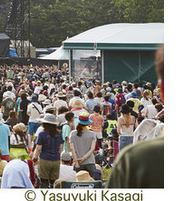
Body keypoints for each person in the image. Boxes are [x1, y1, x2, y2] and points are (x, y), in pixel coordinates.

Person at [106, 46, 164, 188]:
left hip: (125, 138)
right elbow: (137, 123)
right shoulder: (133, 116)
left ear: (161, 90)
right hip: (132, 134)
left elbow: (120, 130)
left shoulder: (136, 160)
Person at [31, 113, 63, 188]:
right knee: (54, 182)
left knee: (44, 182)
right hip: (56, 159)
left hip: (44, 159)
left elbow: (38, 148)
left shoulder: (42, 134)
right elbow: (60, 148)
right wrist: (59, 156)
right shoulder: (59, 134)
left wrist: (35, 158)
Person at [69, 111, 98, 179]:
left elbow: (72, 149)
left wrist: (76, 161)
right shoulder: (92, 134)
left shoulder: (73, 134)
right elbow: (92, 149)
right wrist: (84, 157)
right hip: (90, 162)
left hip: (78, 163)